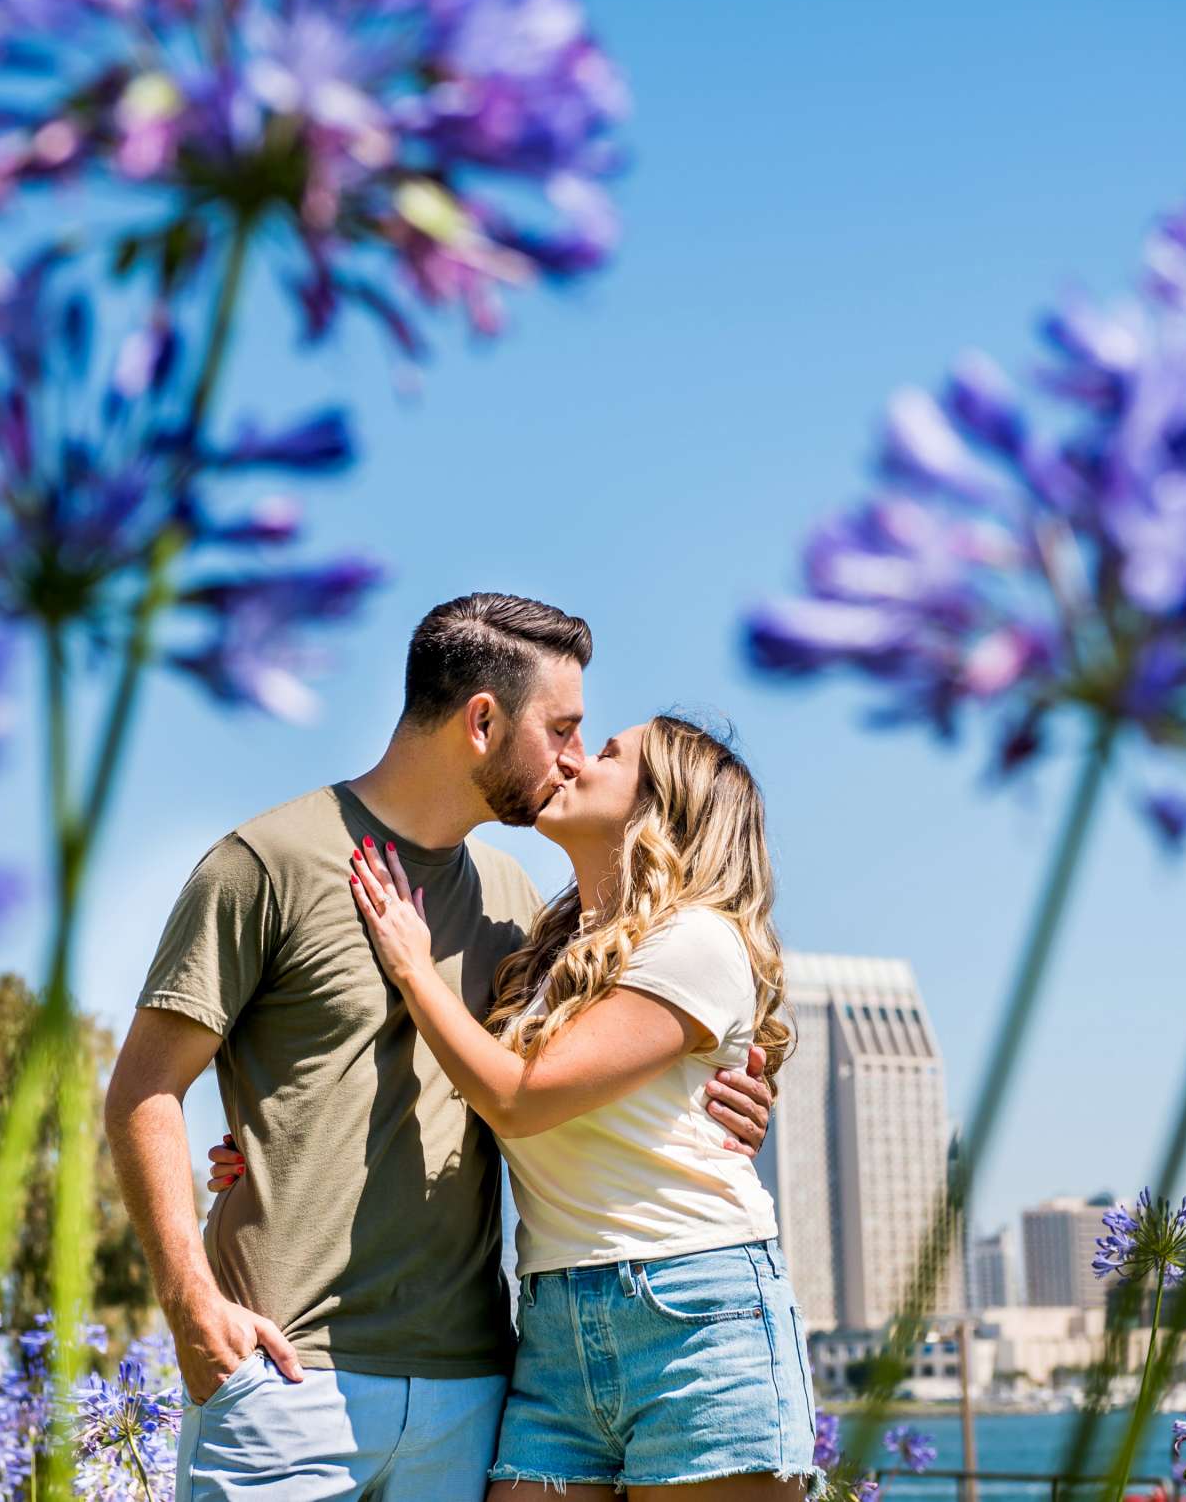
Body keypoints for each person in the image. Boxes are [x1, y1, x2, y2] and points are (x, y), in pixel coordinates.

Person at [102, 593, 776, 1502]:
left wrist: (725, 1099)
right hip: (285, 1374)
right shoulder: (266, 864)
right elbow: (142, 1091)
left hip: (478, 1391)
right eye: (564, 729)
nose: (574, 757)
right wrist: (190, 1301)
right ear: (484, 721)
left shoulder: (514, 905)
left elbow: (578, 1072)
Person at [218, 711, 820, 1498]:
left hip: (694, 1317)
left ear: (660, 807)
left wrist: (413, 961)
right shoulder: (550, 951)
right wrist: (279, 1145)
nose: (572, 762)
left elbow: (520, 1097)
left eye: (606, 754)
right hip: (552, 1327)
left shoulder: (698, 940)